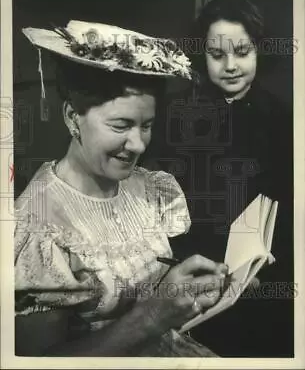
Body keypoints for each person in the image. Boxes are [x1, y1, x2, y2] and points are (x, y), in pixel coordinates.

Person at [14, 20, 229, 357]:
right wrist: (152, 316)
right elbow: (39, 364)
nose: (139, 144)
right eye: (120, 125)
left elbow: (158, 288)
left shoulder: (148, 186)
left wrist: (197, 287)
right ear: (73, 117)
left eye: (147, 126)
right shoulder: (38, 225)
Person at [167, 0, 293, 356]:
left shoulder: (284, 118)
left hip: (265, 276)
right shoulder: (176, 115)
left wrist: (268, 264)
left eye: (241, 51)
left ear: (259, 51)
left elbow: (290, 203)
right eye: (216, 54)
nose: (231, 66)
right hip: (195, 269)